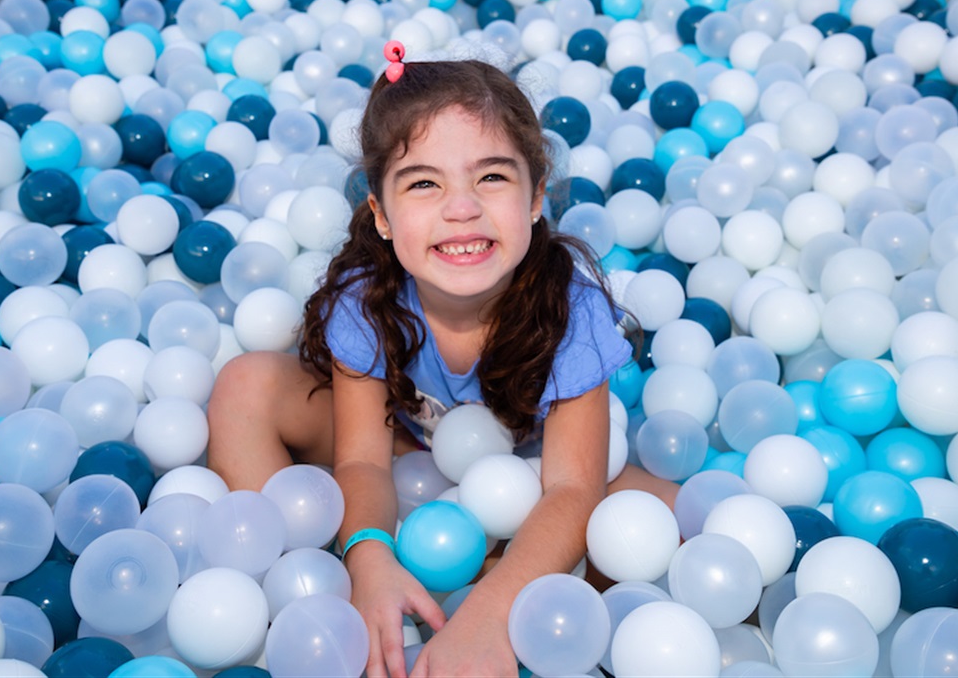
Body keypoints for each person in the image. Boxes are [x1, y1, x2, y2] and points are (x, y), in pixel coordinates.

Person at [207, 44, 678, 677]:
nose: (462, 207)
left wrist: (491, 614)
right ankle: (304, 596)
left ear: (536, 198)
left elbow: (573, 487)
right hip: (403, 460)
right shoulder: (368, 299)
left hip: (532, 476)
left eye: (491, 177)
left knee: (663, 516)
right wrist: (369, 555)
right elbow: (360, 461)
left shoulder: (570, 307)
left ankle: (497, 579)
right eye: (424, 183)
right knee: (246, 385)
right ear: (381, 214)